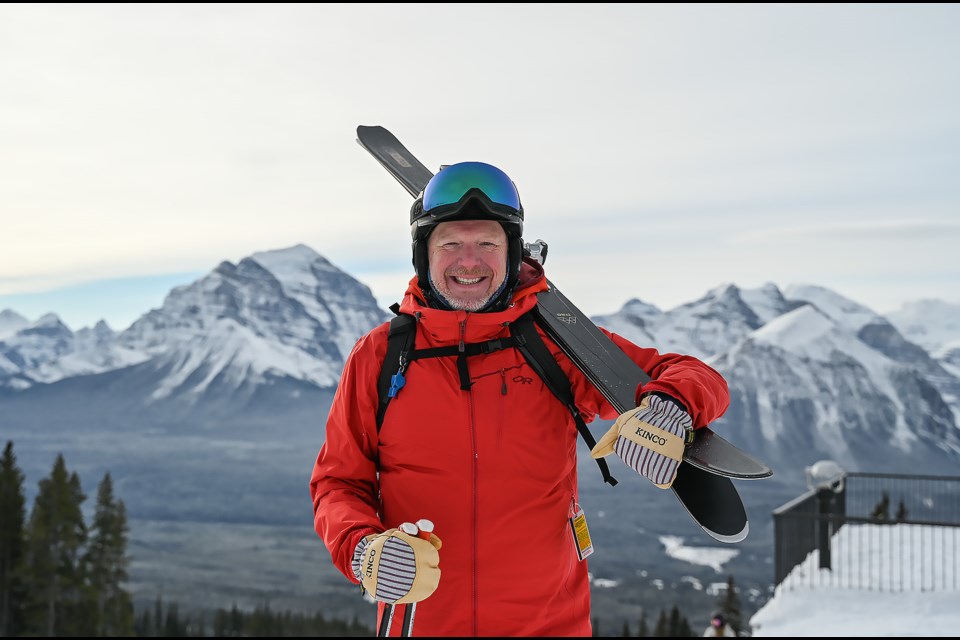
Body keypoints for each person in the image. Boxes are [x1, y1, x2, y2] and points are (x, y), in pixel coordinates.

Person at [309, 160, 730, 636]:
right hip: (422, 624)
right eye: (450, 244)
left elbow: (691, 374)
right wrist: (362, 549)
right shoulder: (380, 357)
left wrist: (671, 405)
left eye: (487, 243)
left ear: (512, 253)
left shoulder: (558, 345)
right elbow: (338, 483)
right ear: (423, 254)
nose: (469, 261)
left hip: (549, 624)